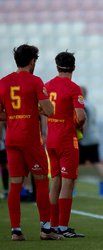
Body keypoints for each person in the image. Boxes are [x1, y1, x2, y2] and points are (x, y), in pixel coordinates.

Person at [0, 44, 62, 241]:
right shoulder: (35, 81)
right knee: (42, 181)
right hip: (30, 138)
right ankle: (46, 229)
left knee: (15, 184)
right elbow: (50, 110)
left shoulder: (3, 82)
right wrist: (35, 110)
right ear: (32, 61)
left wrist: (13, 115)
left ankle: (16, 232)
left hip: (11, 139)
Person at [45, 51, 86, 238]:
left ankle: (52, 226)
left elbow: (43, 111)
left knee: (55, 182)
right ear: (74, 68)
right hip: (67, 141)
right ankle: (63, 227)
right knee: (68, 183)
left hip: (51, 140)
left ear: (57, 67)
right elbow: (82, 116)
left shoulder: (47, 86)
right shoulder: (74, 88)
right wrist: (79, 126)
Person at [78, 86, 103, 197]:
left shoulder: (82, 105)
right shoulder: (91, 104)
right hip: (94, 137)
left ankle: (70, 189)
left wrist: (78, 136)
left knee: (75, 164)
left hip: (85, 139)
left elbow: (84, 122)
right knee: (96, 162)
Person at [0, 122, 9, 199]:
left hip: (2, 142)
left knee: (4, 167)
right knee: (4, 167)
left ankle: (6, 190)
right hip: (2, 141)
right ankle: (6, 190)